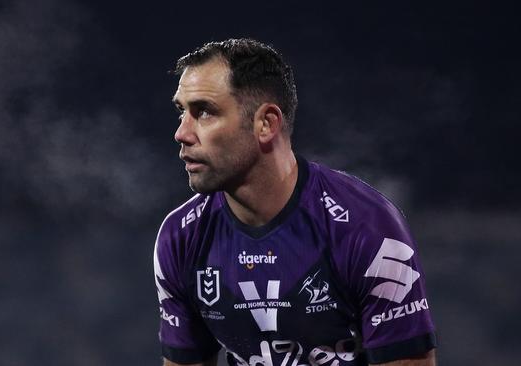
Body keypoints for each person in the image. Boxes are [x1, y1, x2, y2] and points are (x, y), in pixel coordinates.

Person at [153, 38, 437, 366]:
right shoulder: (181, 237)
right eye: (181, 112)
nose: (181, 133)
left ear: (266, 123)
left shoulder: (366, 228)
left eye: (203, 112)